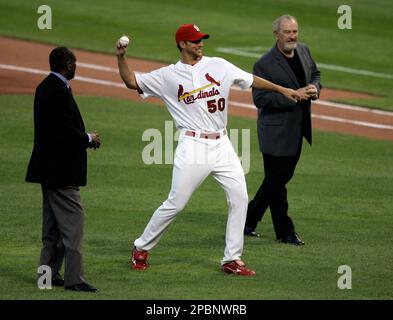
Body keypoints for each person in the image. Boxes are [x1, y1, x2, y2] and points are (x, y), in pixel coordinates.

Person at [116, 24, 300, 276]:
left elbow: (250, 79)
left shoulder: (219, 65)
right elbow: (131, 81)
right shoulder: (168, 76)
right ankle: (140, 247)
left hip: (222, 144)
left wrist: (282, 89)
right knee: (176, 203)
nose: (200, 44)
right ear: (182, 44)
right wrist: (121, 57)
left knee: (239, 198)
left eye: (201, 39)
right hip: (193, 146)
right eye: (194, 41)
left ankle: (232, 259)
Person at [26, 47, 101, 292]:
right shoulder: (58, 91)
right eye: (74, 63)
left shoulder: (45, 86)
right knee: (73, 226)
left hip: (48, 169)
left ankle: (46, 276)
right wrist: (88, 138)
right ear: (67, 64)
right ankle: (74, 279)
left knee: (53, 229)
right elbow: (64, 132)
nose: (76, 67)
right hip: (61, 171)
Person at [244, 15, 322, 245]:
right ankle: (285, 231)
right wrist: (293, 96)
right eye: (287, 32)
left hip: (298, 130)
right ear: (276, 35)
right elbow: (260, 98)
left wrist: (314, 88)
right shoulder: (264, 64)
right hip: (275, 133)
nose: (292, 36)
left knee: (276, 180)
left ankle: (247, 220)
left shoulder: (304, 51)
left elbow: (316, 75)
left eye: (295, 31)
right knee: (277, 183)